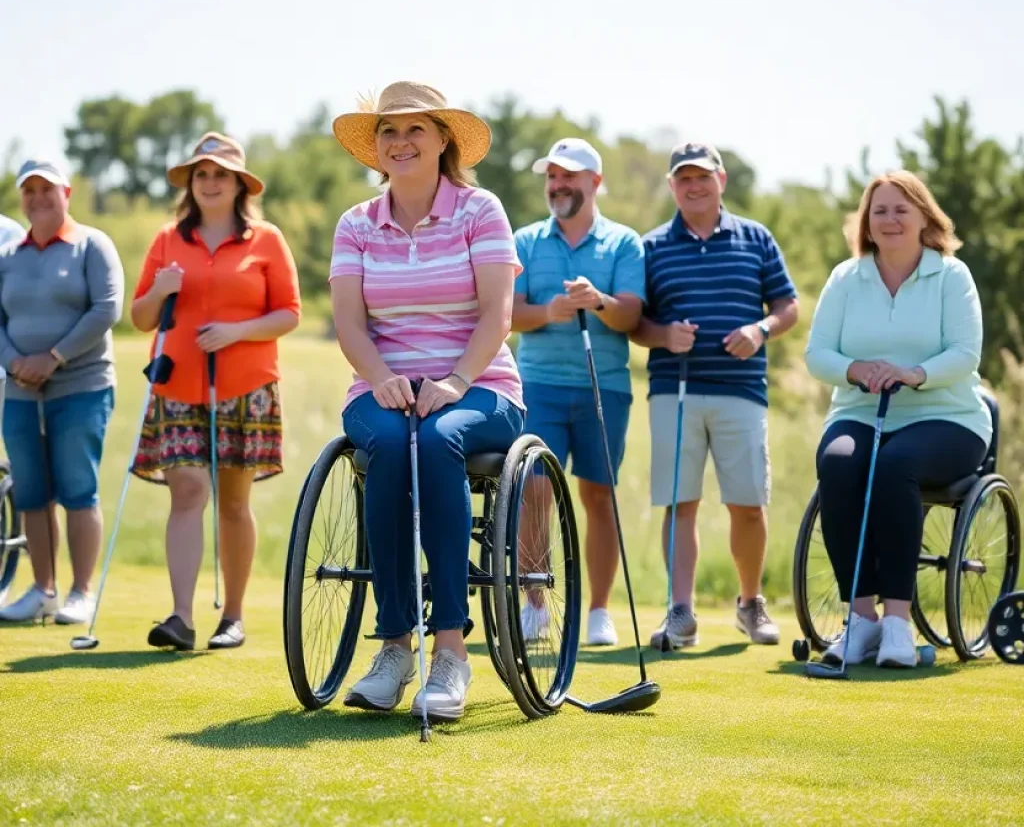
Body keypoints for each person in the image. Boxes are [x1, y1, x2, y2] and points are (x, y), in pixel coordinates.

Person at [329, 81, 524, 723]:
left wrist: (456, 383)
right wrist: (382, 375)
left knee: (438, 439)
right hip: (381, 389)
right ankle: (393, 650)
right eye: (389, 130)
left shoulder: (480, 210)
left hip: (481, 389)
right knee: (386, 441)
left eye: (416, 129)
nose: (401, 142)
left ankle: (450, 652)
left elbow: (497, 315)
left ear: (444, 139)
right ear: (376, 147)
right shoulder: (356, 224)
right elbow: (350, 326)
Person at [805, 171, 991, 668]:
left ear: (924, 217)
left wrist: (914, 373)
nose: (888, 219)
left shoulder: (952, 276)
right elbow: (818, 353)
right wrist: (856, 369)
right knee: (840, 463)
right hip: (861, 411)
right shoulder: (847, 277)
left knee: (895, 465)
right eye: (879, 210)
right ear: (866, 220)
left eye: (900, 209)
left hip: (947, 416)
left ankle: (897, 625)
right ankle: (862, 619)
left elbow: (965, 353)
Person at [130, 133, 300, 651]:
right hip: (178, 383)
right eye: (201, 174)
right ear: (190, 184)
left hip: (245, 387)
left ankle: (233, 616)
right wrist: (161, 288)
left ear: (239, 184)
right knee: (187, 492)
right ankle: (181, 617)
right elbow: (140, 317)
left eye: (219, 174)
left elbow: (289, 313)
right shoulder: (167, 239)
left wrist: (236, 331)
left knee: (232, 502)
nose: (209, 183)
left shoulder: (265, 239)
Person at [632, 142, 798, 649]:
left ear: (721, 180)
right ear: (672, 186)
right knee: (680, 502)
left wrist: (761, 330)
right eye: (683, 178)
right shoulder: (652, 246)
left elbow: (787, 306)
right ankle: (679, 612)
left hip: (741, 389)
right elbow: (634, 323)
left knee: (747, 504)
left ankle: (749, 604)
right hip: (674, 391)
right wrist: (662, 336)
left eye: (702, 176)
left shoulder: (756, 237)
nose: (693, 185)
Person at [511, 138, 645, 646]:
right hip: (539, 386)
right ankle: (535, 604)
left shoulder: (624, 243)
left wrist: (599, 301)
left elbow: (632, 316)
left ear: (595, 182)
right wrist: (547, 313)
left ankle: (599, 611)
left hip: (602, 387)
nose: (558, 185)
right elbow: (506, 312)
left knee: (598, 495)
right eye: (551, 177)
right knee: (533, 492)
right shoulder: (525, 240)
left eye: (569, 176)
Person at [0, 158, 124, 625]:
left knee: (77, 487)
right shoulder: (8, 257)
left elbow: (106, 308)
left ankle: (80, 592)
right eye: (28, 191)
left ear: (66, 192)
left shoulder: (92, 245)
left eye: (46, 189)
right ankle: (42, 590)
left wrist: (52, 357)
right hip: (20, 390)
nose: (38, 198)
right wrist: (15, 361)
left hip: (81, 385)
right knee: (32, 491)